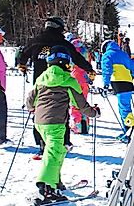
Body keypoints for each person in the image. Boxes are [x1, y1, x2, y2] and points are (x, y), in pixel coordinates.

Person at [26, 46, 100, 203]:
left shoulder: (41, 78)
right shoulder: (69, 81)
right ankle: (46, 188)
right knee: (54, 153)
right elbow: (81, 105)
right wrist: (94, 113)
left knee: (56, 151)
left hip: (40, 122)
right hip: (56, 123)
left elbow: (30, 100)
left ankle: (54, 181)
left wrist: (34, 109)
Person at [16, 16, 95, 157]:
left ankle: (41, 143)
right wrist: (89, 69)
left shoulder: (35, 41)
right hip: (60, 81)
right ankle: (64, 141)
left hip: (41, 81)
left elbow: (24, 53)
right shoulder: (62, 43)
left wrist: (22, 64)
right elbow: (77, 57)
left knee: (40, 111)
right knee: (61, 110)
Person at [100, 36, 134, 142]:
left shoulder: (107, 55)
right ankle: (128, 130)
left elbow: (107, 70)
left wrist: (105, 85)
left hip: (118, 83)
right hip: (128, 83)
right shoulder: (124, 54)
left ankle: (131, 131)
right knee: (124, 107)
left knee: (124, 109)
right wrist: (131, 77)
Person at [65, 32, 94, 134]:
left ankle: (77, 124)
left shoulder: (70, 50)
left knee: (74, 101)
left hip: (74, 77)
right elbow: (89, 63)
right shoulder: (85, 50)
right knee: (83, 101)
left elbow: (69, 65)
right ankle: (85, 123)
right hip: (84, 78)